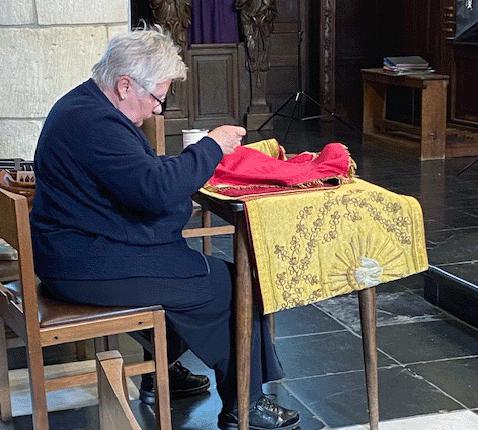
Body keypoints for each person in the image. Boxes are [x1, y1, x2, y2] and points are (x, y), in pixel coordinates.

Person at [30, 25, 300, 430]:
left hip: (79, 252)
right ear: (124, 85)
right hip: (84, 266)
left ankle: (162, 372)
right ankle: (246, 405)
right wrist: (210, 147)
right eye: (157, 96)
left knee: (198, 270)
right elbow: (153, 190)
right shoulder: (95, 124)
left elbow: (140, 184)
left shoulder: (85, 105)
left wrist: (175, 191)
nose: (158, 109)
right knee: (234, 283)